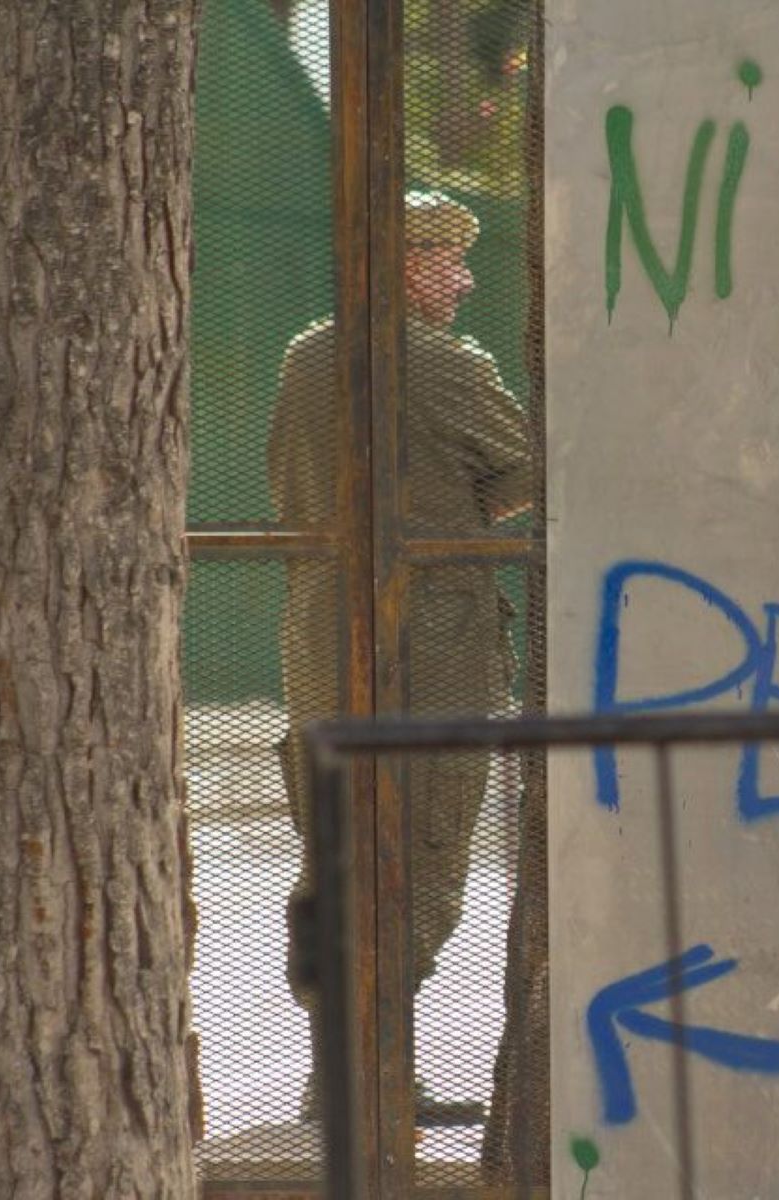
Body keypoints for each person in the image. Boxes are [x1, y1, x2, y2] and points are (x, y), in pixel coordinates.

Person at [269, 190, 532, 1120]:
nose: (462, 278)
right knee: (418, 858)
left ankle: (335, 1071)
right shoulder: (442, 364)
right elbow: (527, 473)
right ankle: (375, 1080)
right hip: (432, 650)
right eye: (443, 259)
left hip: (319, 642)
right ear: (399, 260)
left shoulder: (304, 354)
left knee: (335, 854)